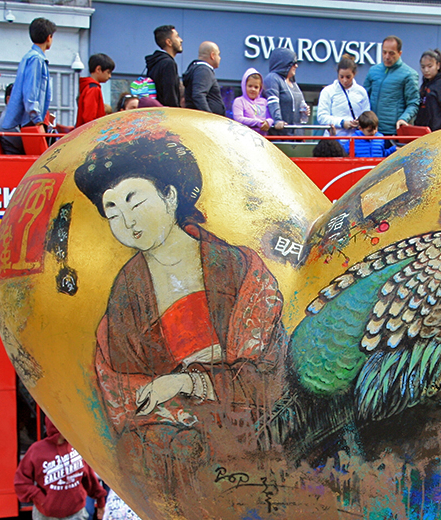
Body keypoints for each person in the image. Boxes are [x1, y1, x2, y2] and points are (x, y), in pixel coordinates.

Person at [72, 135, 287, 488]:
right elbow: (122, 386)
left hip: (255, 439)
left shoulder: (238, 269)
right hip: (182, 451)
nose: (127, 221)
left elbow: (268, 373)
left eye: (135, 202)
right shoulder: (126, 294)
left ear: (170, 195)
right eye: (112, 212)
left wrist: (188, 381)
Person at [0, 17, 55, 155]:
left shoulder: (29, 57)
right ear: (49, 37)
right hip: (27, 123)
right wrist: (37, 120)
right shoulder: (36, 59)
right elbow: (31, 92)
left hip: (23, 123)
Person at [363, 35, 420, 135]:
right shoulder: (373, 71)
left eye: (391, 53)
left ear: (399, 53)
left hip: (392, 133)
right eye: (384, 52)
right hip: (371, 131)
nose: (387, 56)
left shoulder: (409, 74)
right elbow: (363, 97)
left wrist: (403, 119)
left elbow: (413, 103)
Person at [316, 56, 370, 141]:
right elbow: (321, 117)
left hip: (356, 141)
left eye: (348, 77)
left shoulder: (361, 91)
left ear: (354, 74)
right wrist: (341, 123)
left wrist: (360, 122)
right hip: (334, 140)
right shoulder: (328, 91)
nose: (344, 80)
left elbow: (367, 115)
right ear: (337, 74)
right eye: (341, 77)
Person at [407, 49, 441, 132]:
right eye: (423, 67)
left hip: (438, 132)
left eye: (430, 66)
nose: (426, 70)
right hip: (424, 131)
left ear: (438, 65)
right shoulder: (425, 84)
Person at [263, 48, 307, 134]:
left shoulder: (294, 83)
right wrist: (277, 120)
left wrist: (305, 111)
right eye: (293, 63)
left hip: (297, 136)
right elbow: (273, 102)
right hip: (280, 136)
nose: (296, 66)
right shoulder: (272, 78)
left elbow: (301, 104)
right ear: (284, 63)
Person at [145, 25, 183, 108]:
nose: (181, 40)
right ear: (169, 42)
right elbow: (170, 94)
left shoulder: (154, 62)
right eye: (177, 37)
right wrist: (175, 111)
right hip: (167, 113)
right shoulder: (168, 63)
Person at [183, 41, 225, 115]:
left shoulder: (199, 69)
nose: (220, 58)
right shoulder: (203, 70)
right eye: (218, 54)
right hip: (204, 120)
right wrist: (209, 116)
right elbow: (198, 95)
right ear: (212, 55)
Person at [75, 53, 114, 127]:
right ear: (98, 69)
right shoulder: (93, 88)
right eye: (108, 72)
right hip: (90, 131)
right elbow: (89, 117)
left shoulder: (87, 86)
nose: (109, 76)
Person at [231, 68, 271, 135]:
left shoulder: (264, 102)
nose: (253, 89)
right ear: (244, 86)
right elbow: (238, 118)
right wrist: (257, 123)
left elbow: (270, 117)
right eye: (250, 86)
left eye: (256, 87)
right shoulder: (239, 101)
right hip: (244, 137)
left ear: (260, 88)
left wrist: (268, 122)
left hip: (263, 138)